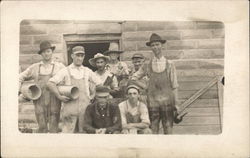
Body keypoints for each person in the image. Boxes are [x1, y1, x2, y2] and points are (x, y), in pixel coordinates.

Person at [131, 33, 179, 134]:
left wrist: (177, 104)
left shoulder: (170, 64)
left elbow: (174, 86)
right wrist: (145, 86)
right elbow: (133, 78)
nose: (155, 47)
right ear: (150, 48)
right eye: (153, 45)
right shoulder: (147, 64)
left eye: (157, 44)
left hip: (167, 102)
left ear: (162, 45)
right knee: (153, 128)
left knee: (168, 128)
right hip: (153, 102)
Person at [47, 46, 101, 133]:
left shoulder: (87, 71)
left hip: (85, 110)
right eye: (77, 55)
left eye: (82, 56)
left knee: (84, 135)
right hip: (69, 110)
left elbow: (99, 83)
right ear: (72, 56)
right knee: (68, 136)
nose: (80, 58)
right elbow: (50, 83)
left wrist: (93, 95)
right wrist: (59, 96)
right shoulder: (65, 71)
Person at [19, 41, 65, 133]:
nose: (46, 54)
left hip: (55, 99)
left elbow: (68, 79)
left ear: (52, 52)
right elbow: (20, 77)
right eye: (44, 52)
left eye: (48, 51)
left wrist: (64, 93)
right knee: (42, 126)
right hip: (39, 99)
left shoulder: (59, 66)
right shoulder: (34, 67)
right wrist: (20, 91)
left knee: (53, 126)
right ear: (41, 54)